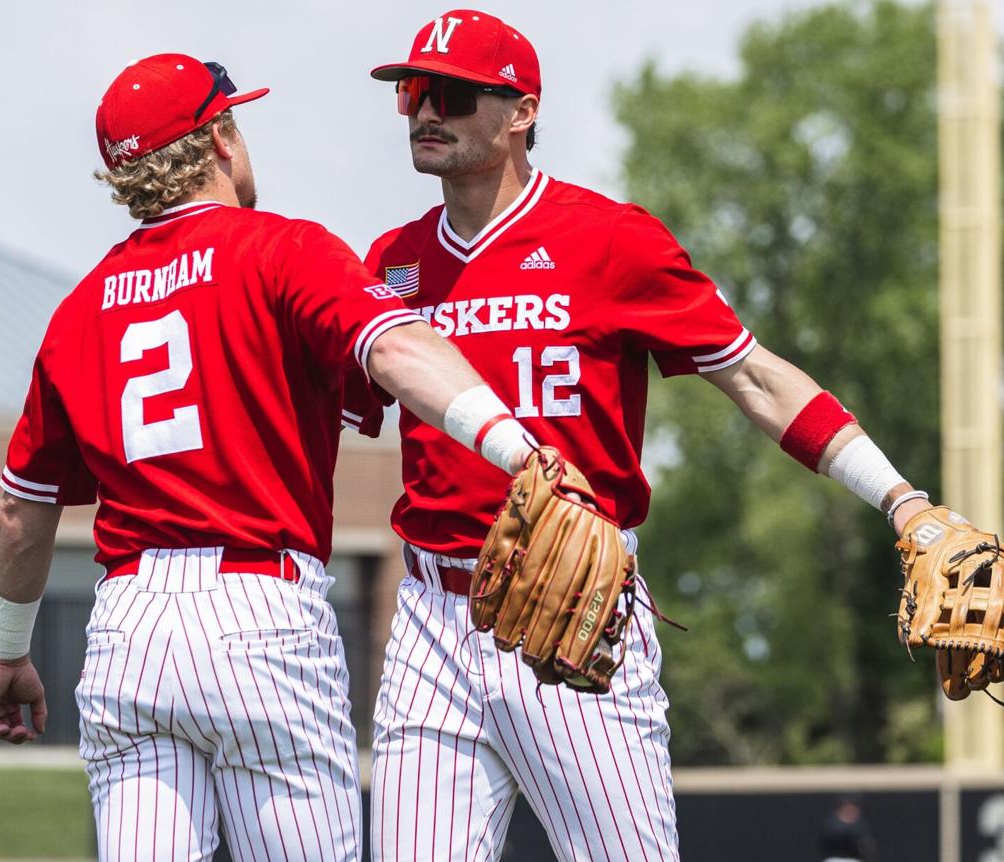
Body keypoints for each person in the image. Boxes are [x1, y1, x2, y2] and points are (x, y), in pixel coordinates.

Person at [343, 10, 934, 860]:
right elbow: (329, 417)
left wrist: (901, 500)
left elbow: (757, 378)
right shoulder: (391, 263)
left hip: (574, 608)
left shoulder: (610, 240)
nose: (426, 109)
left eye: (454, 92)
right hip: (431, 618)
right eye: (412, 92)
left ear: (520, 111)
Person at [0, 53, 540, 862]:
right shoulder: (282, 250)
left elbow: (20, 517)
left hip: (131, 628)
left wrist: (4, 654)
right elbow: (401, 351)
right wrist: (521, 450)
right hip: (258, 611)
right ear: (221, 143)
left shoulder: (81, 307)